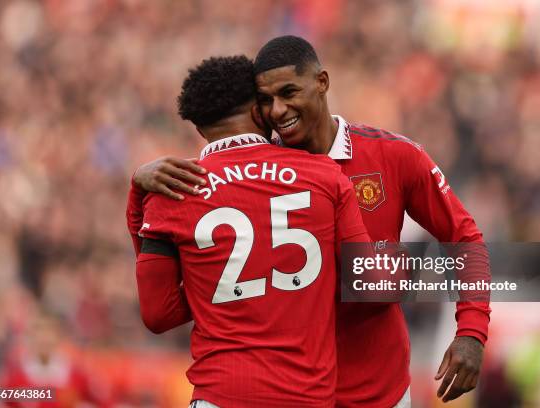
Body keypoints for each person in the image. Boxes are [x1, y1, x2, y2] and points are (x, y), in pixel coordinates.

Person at [130, 36, 491, 407]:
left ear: (322, 82)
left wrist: (472, 332)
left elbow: (464, 235)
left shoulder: (394, 156)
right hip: (293, 393)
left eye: (289, 92)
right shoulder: (249, 178)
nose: (278, 110)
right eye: (266, 101)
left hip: (375, 390)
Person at [130, 55, 373, 408]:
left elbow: (158, 315)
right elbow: (371, 283)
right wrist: (452, 271)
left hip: (221, 395)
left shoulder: (170, 191)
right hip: (306, 398)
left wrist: (215, 286)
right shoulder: (325, 174)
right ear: (259, 112)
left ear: (199, 127)